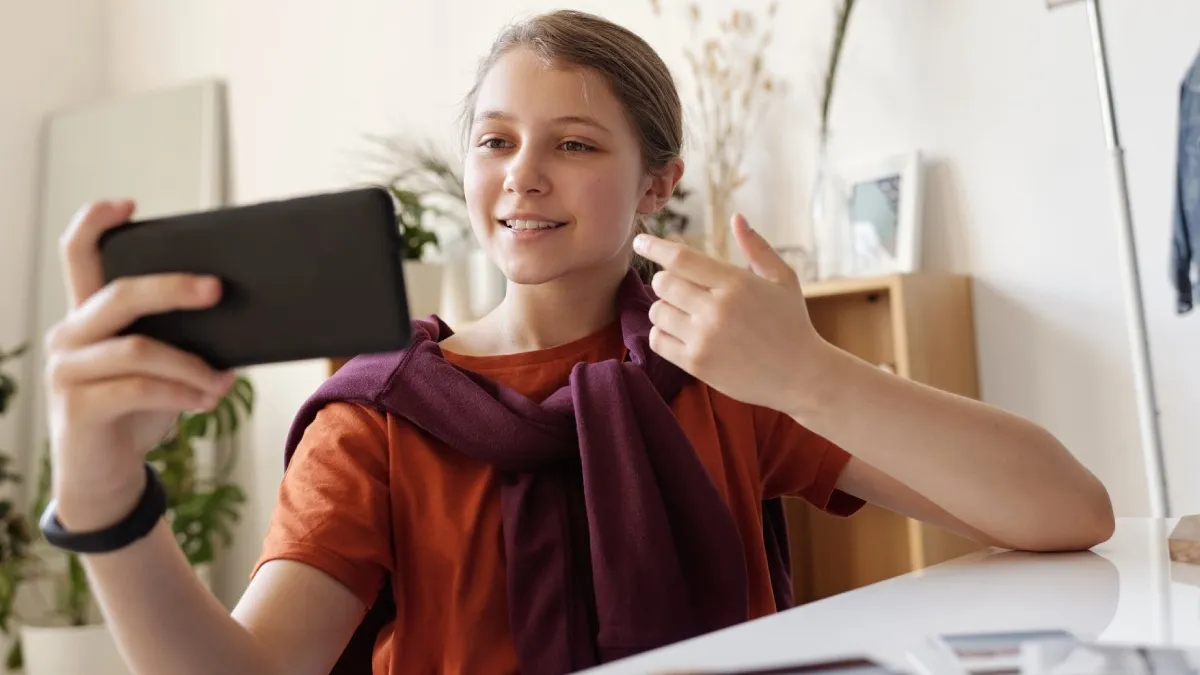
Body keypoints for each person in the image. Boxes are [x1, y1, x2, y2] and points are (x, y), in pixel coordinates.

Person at [41, 10, 1114, 675]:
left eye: (575, 144)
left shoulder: (725, 369)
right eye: (495, 142)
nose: (522, 175)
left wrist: (810, 373)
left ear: (659, 183)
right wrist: (101, 492)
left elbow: (1067, 514)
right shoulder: (377, 417)